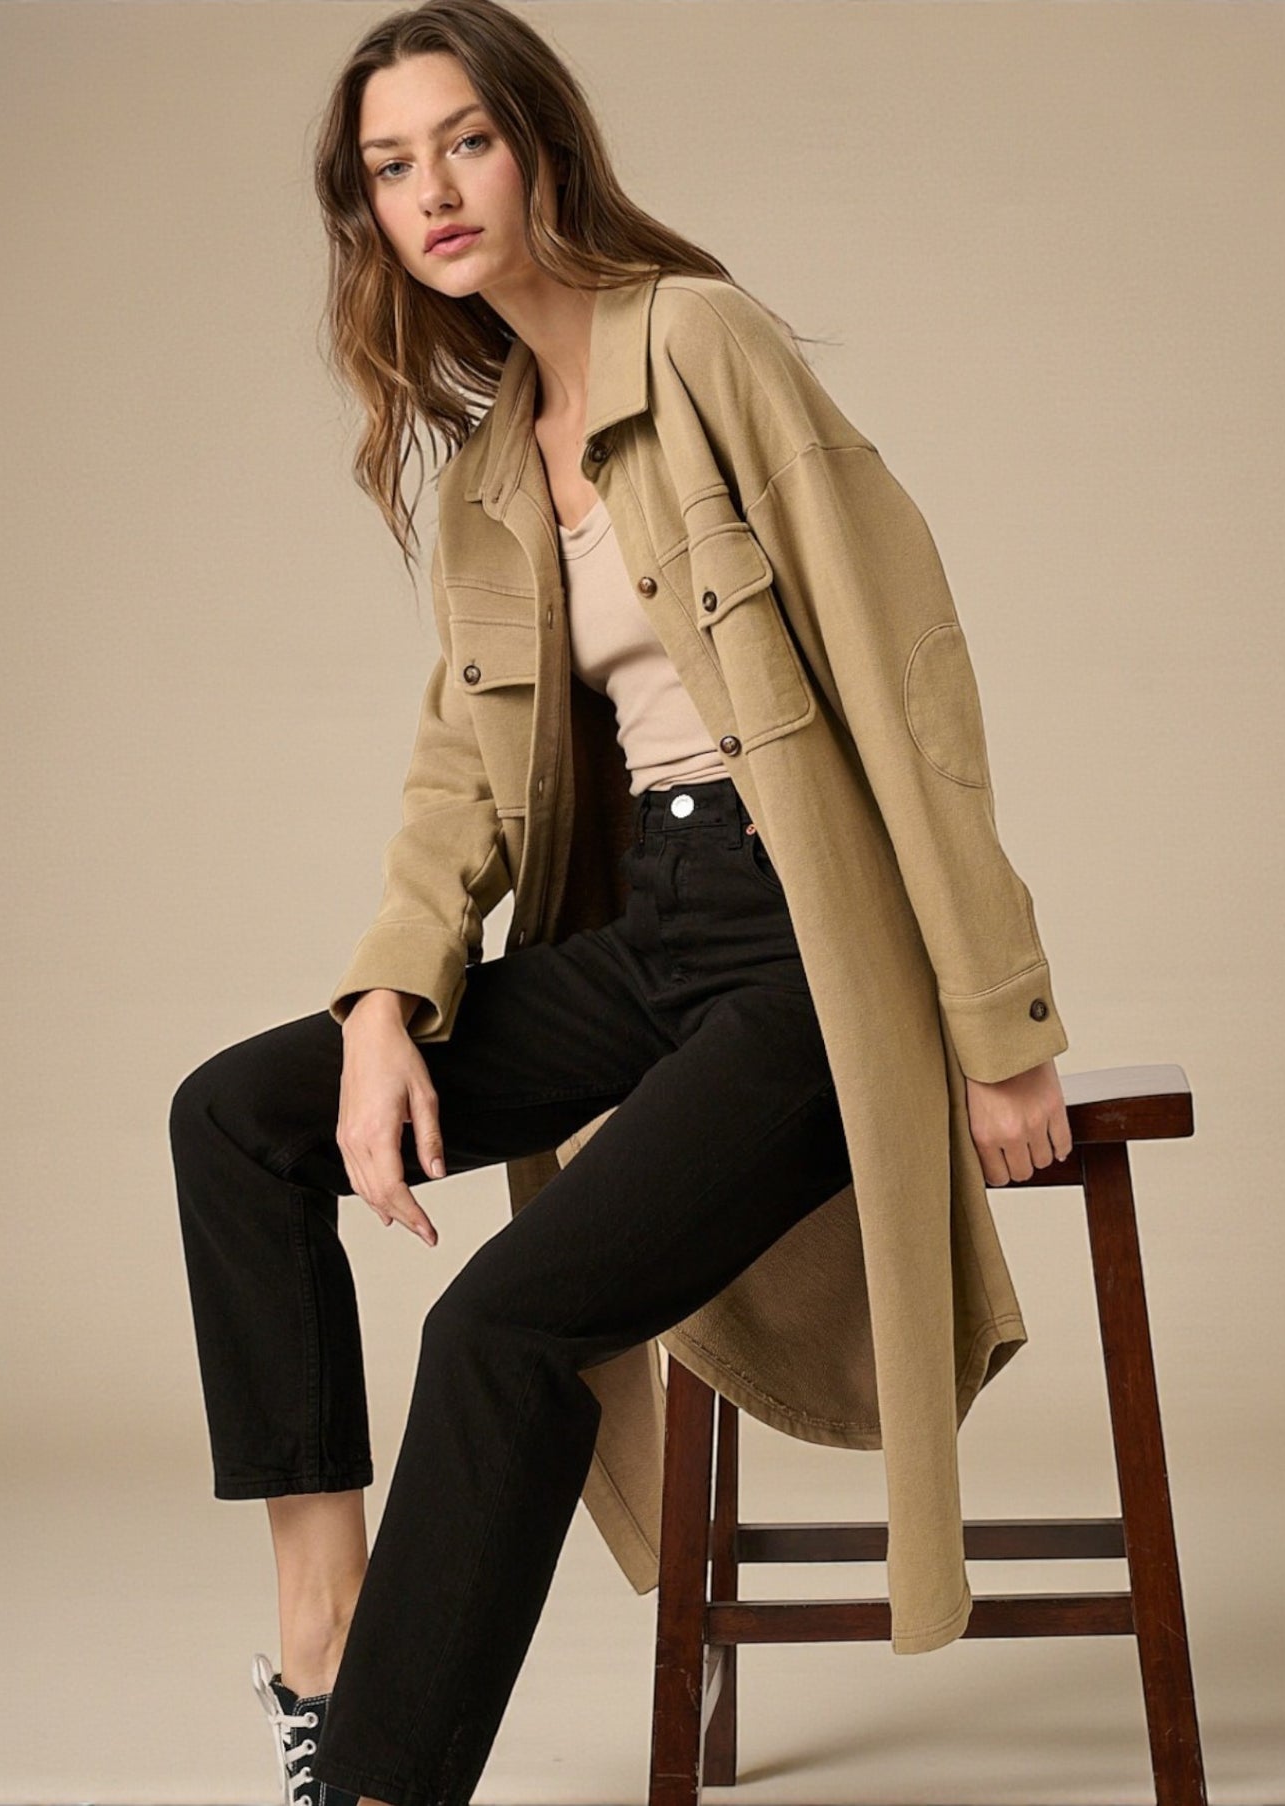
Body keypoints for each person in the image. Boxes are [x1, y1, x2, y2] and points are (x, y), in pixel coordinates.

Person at [169, 4, 1074, 1805]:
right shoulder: (498, 466)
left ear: (542, 147)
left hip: (809, 958)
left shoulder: (703, 342)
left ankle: (375, 1786)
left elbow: (909, 676)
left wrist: (998, 1023)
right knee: (235, 1118)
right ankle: (321, 1632)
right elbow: (461, 778)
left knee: (496, 1326)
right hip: (652, 931)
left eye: (462, 144)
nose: (430, 191)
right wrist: (382, 1008)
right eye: (386, 167)